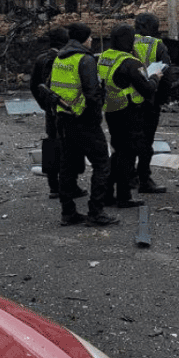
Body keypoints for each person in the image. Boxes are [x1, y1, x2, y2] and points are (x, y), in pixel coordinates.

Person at [48, 22, 119, 227]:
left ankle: (68, 212)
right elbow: (92, 94)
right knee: (101, 163)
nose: (92, 41)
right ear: (83, 39)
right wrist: (96, 117)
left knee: (67, 166)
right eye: (90, 37)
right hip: (83, 119)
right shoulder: (85, 60)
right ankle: (96, 211)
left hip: (63, 118)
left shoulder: (59, 58)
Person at [97, 24, 160, 209]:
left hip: (111, 109)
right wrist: (156, 76)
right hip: (129, 111)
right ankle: (124, 196)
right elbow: (147, 89)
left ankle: (108, 193)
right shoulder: (131, 63)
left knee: (118, 152)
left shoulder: (105, 57)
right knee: (127, 155)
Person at [132, 13, 171, 195]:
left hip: (126, 100)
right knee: (146, 141)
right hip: (149, 100)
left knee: (127, 141)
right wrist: (162, 99)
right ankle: (144, 179)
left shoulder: (126, 40)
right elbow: (166, 73)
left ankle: (128, 177)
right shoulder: (157, 45)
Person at [29, 26, 70, 199]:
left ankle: (53, 186)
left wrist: (44, 105)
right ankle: (68, 186)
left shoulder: (41, 59)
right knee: (66, 147)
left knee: (52, 145)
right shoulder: (66, 59)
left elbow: (33, 85)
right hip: (65, 110)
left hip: (50, 110)